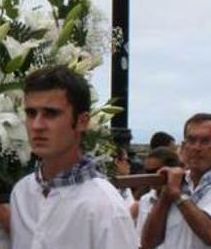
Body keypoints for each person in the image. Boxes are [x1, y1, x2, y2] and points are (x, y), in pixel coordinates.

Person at [8, 65, 137, 248]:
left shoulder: (105, 205)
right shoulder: (21, 193)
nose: (37, 125)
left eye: (51, 113)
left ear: (82, 121)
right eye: (31, 113)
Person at [137, 113, 211, 249]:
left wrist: (177, 195)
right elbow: (148, 242)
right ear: (183, 145)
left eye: (206, 141)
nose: (196, 147)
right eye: (191, 140)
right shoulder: (177, 182)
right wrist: (166, 194)